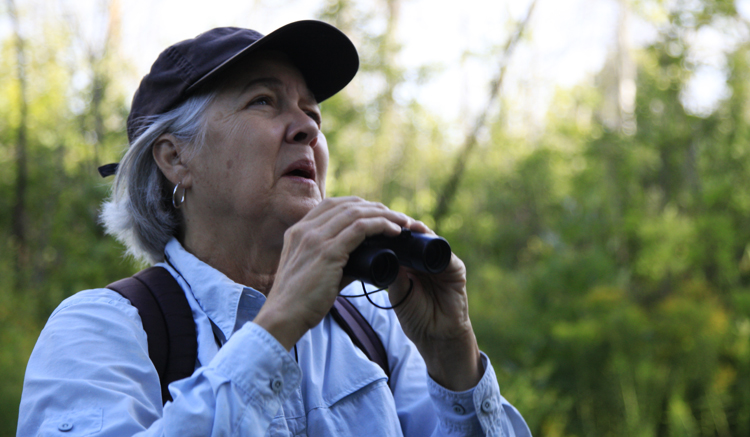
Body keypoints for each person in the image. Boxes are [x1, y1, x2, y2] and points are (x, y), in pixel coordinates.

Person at [17, 20, 531, 436]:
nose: (308, 127)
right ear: (175, 158)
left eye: (312, 112)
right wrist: (277, 325)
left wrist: (452, 359)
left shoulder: (375, 327)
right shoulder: (101, 329)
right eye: (263, 101)